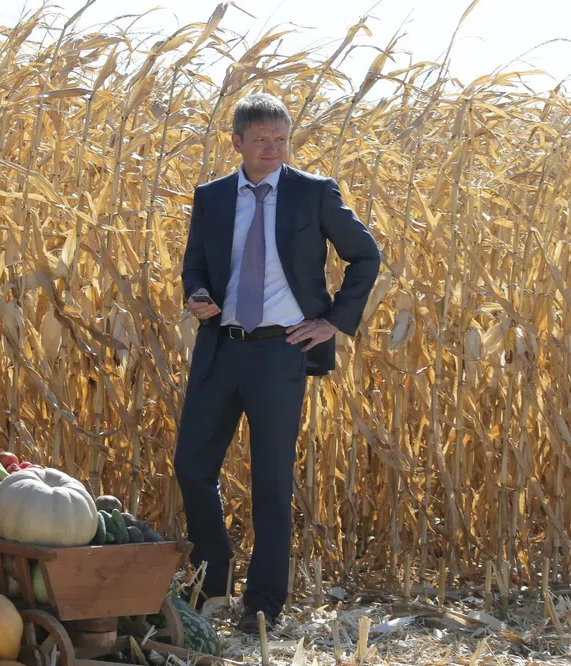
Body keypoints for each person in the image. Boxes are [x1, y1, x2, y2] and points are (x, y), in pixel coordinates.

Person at [173, 92, 381, 633]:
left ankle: (263, 604)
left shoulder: (314, 192)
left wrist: (333, 321)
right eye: (261, 140)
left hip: (280, 352)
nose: (272, 148)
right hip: (220, 348)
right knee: (192, 467)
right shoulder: (212, 196)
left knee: (271, 480)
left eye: (281, 139)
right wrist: (197, 293)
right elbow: (194, 265)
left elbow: (366, 255)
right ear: (237, 142)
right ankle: (212, 584)